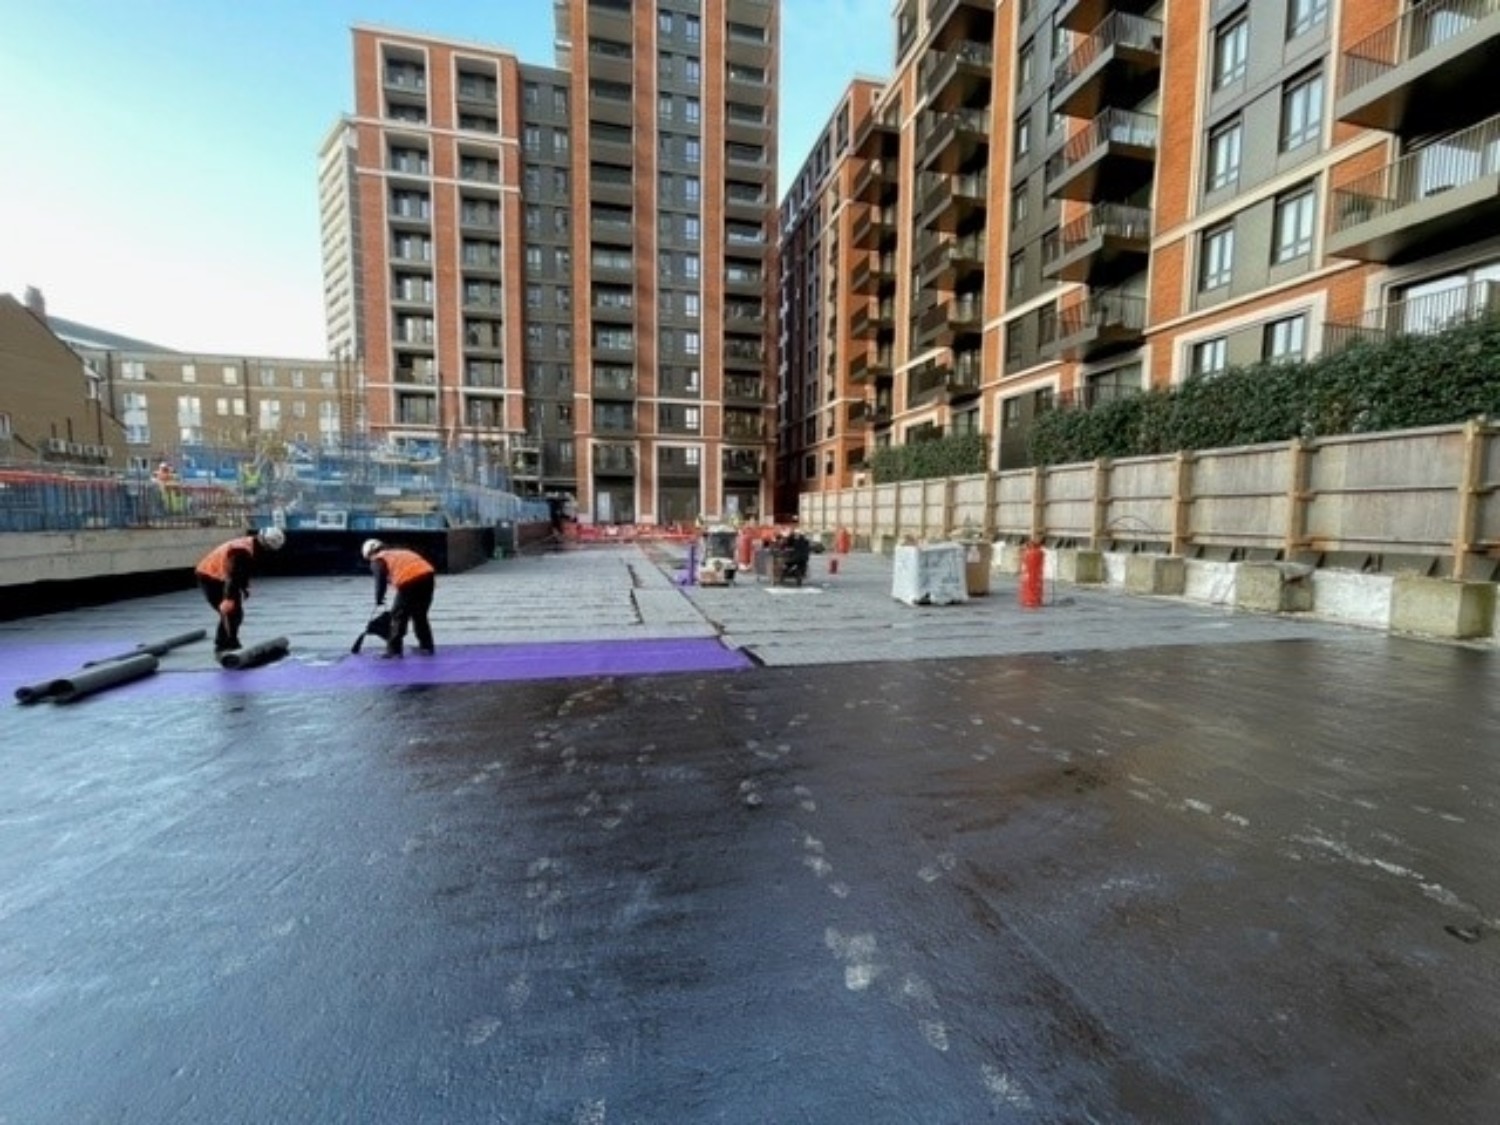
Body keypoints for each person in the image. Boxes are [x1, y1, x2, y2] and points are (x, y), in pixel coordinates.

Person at [195, 527, 286, 653]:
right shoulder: (241, 552)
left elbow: (242, 573)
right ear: (265, 543)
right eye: (269, 549)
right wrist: (227, 598)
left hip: (221, 576)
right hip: (209, 576)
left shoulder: (252, 546)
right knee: (231, 612)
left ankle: (227, 641)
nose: (268, 552)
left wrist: (244, 588)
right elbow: (233, 575)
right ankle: (226, 645)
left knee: (235, 612)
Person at [362, 539, 436, 658]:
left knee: (398, 615)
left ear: (370, 553)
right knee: (419, 615)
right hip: (428, 577)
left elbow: (380, 580)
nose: (370, 561)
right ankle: (426, 647)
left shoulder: (378, 559)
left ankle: (394, 650)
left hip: (409, 581)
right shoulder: (400, 552)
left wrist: (378, 598)